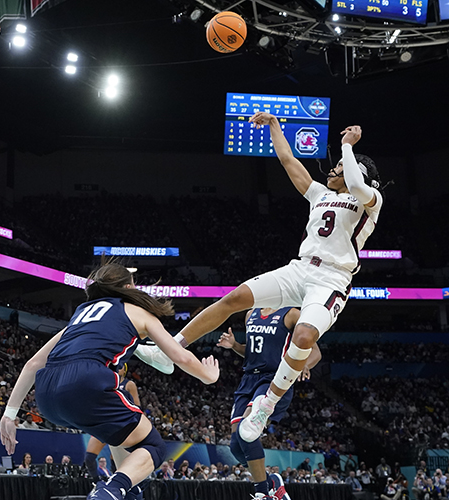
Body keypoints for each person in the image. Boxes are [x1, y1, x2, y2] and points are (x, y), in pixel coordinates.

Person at [137, 120, 382, 444]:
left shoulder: (371, 199)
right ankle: (169, 350)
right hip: (300, 268)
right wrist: (275, 127)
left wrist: (348, 146)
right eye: (336, 165)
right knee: (234, 298)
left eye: (339, 166)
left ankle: (267, 405)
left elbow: (354, 178)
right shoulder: (320, 193)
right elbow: (288, 161)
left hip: (331, 279)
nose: (333, 170)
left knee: (305, 334)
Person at [0, 263, 219, 500]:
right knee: (154, 446)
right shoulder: (137, 312)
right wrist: (209, 376)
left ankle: (124, 490)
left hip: (47, 395)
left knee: (120, 444)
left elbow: (33, 363)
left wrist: (9, 414)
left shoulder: (79, 316)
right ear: (127, 287)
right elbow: (179, 356)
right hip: (87, 382)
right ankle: (108, 490)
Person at [217, 307, 321, 500]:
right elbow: (251, 350)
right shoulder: (251, 314)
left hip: (274, 380)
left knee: (246, 430)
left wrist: (304, 364)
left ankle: (262, 493)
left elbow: (315, 351)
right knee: (235, 445)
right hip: (249, 379)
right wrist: (234, 345)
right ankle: (271, 482)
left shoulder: (291, 314)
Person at [84, 363, 140, 479]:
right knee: (89, 458)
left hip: (121, 425)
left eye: (120, 366)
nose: (117, 368)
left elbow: (137, 407)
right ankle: (97, 482)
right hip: (103, 424)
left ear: (125, 369)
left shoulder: (129, 384)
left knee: (121, 463)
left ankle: (120, 487)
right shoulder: (104, 383)